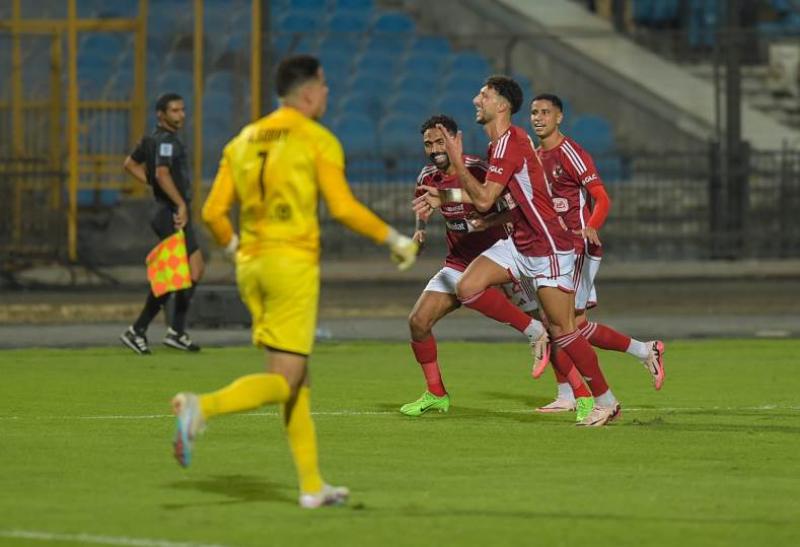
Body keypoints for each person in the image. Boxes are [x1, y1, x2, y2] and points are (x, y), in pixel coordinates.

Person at [170, 55, 418, 509]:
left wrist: (234, 249)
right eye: (324, 87)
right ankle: (201, 407)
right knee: (285, 380)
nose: (327, 94)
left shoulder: (242, 140)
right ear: (308, 93)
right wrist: (395, 238)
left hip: (253, 265)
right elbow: (342, 208)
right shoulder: (316, 139)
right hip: (292, 266)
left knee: (298, 378)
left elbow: (211, 212)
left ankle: (311, 486)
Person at [434, 75, 620, 426]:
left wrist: (457, 161)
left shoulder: (510, 144)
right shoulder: (501, 146)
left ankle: (606, 400)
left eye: (483, 95)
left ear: (501, 105)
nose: (476, 100)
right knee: (468, 287)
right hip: (518, 243)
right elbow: (510, 203)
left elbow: (486, 198)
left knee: (566, 329)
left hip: (546, 247)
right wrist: (486, 223)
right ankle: (533, 331)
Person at [529, 93, 665, 413]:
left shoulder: (571, 153)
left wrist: (591, 226)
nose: (538, 118)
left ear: (559, 117)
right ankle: (645, 351)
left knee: (561, 324)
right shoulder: (534, 157)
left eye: (545, 112)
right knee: (565, 325)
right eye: (534, 112)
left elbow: (601, 198)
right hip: (550, 249)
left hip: (576, 248)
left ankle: (575, 393)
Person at [400, 114, 526, 417]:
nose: (433, 149)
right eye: (428, 144)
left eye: (439, 141)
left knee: (552, 324)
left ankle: (578, 393)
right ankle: (436, 393)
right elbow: (423, 200)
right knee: (418, 322)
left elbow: (512, 208)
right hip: (459, 264)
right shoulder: (427, 175)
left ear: (455, 141)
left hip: (500, 259)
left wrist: (484, 220)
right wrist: (419, 228)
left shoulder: (478, 169)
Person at [120, 92, 204, 355]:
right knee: (176, 275)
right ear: (161, 114)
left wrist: (155, 185)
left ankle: (176, 332)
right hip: (172, 213)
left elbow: (130, 164)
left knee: (194, 270)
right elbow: (161, 173)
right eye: (175, 111)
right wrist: (178, 203)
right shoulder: (166, 142)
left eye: (182, 110)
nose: (181, 115)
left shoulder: (151, 139)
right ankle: (138, 330)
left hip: (169, 210)